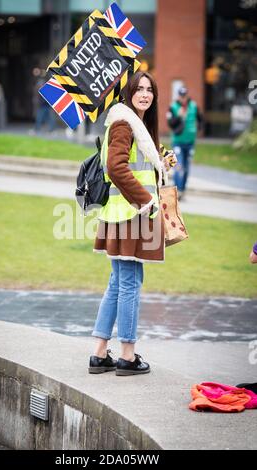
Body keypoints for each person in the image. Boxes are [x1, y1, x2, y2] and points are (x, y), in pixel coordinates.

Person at [89, 71, 177, 377]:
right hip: (130, 215)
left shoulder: (136, 126)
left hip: (124, 215)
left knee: (118, 283)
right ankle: (127, 355)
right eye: (138, 89)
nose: (144, 94)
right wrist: (145, 201)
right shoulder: (125, 122)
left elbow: (133, 164)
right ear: (129, 93)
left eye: (149, 89)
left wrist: (161, 163)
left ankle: (100, 353)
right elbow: (115, 166)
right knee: (129, 283)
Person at [166, 86, 203, 200]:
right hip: (177, 141)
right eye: (181, 96)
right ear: (178, 96)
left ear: (187, 95)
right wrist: (179, 116)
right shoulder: (173, 107)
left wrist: (198, 129)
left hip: (190, 142)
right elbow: (170, 124)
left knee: (186, 167)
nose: (183, 98)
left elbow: (201, 119)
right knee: (178, 166)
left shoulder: (193, 105)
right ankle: (177, 191)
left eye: (184, 96)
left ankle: (183, 190)